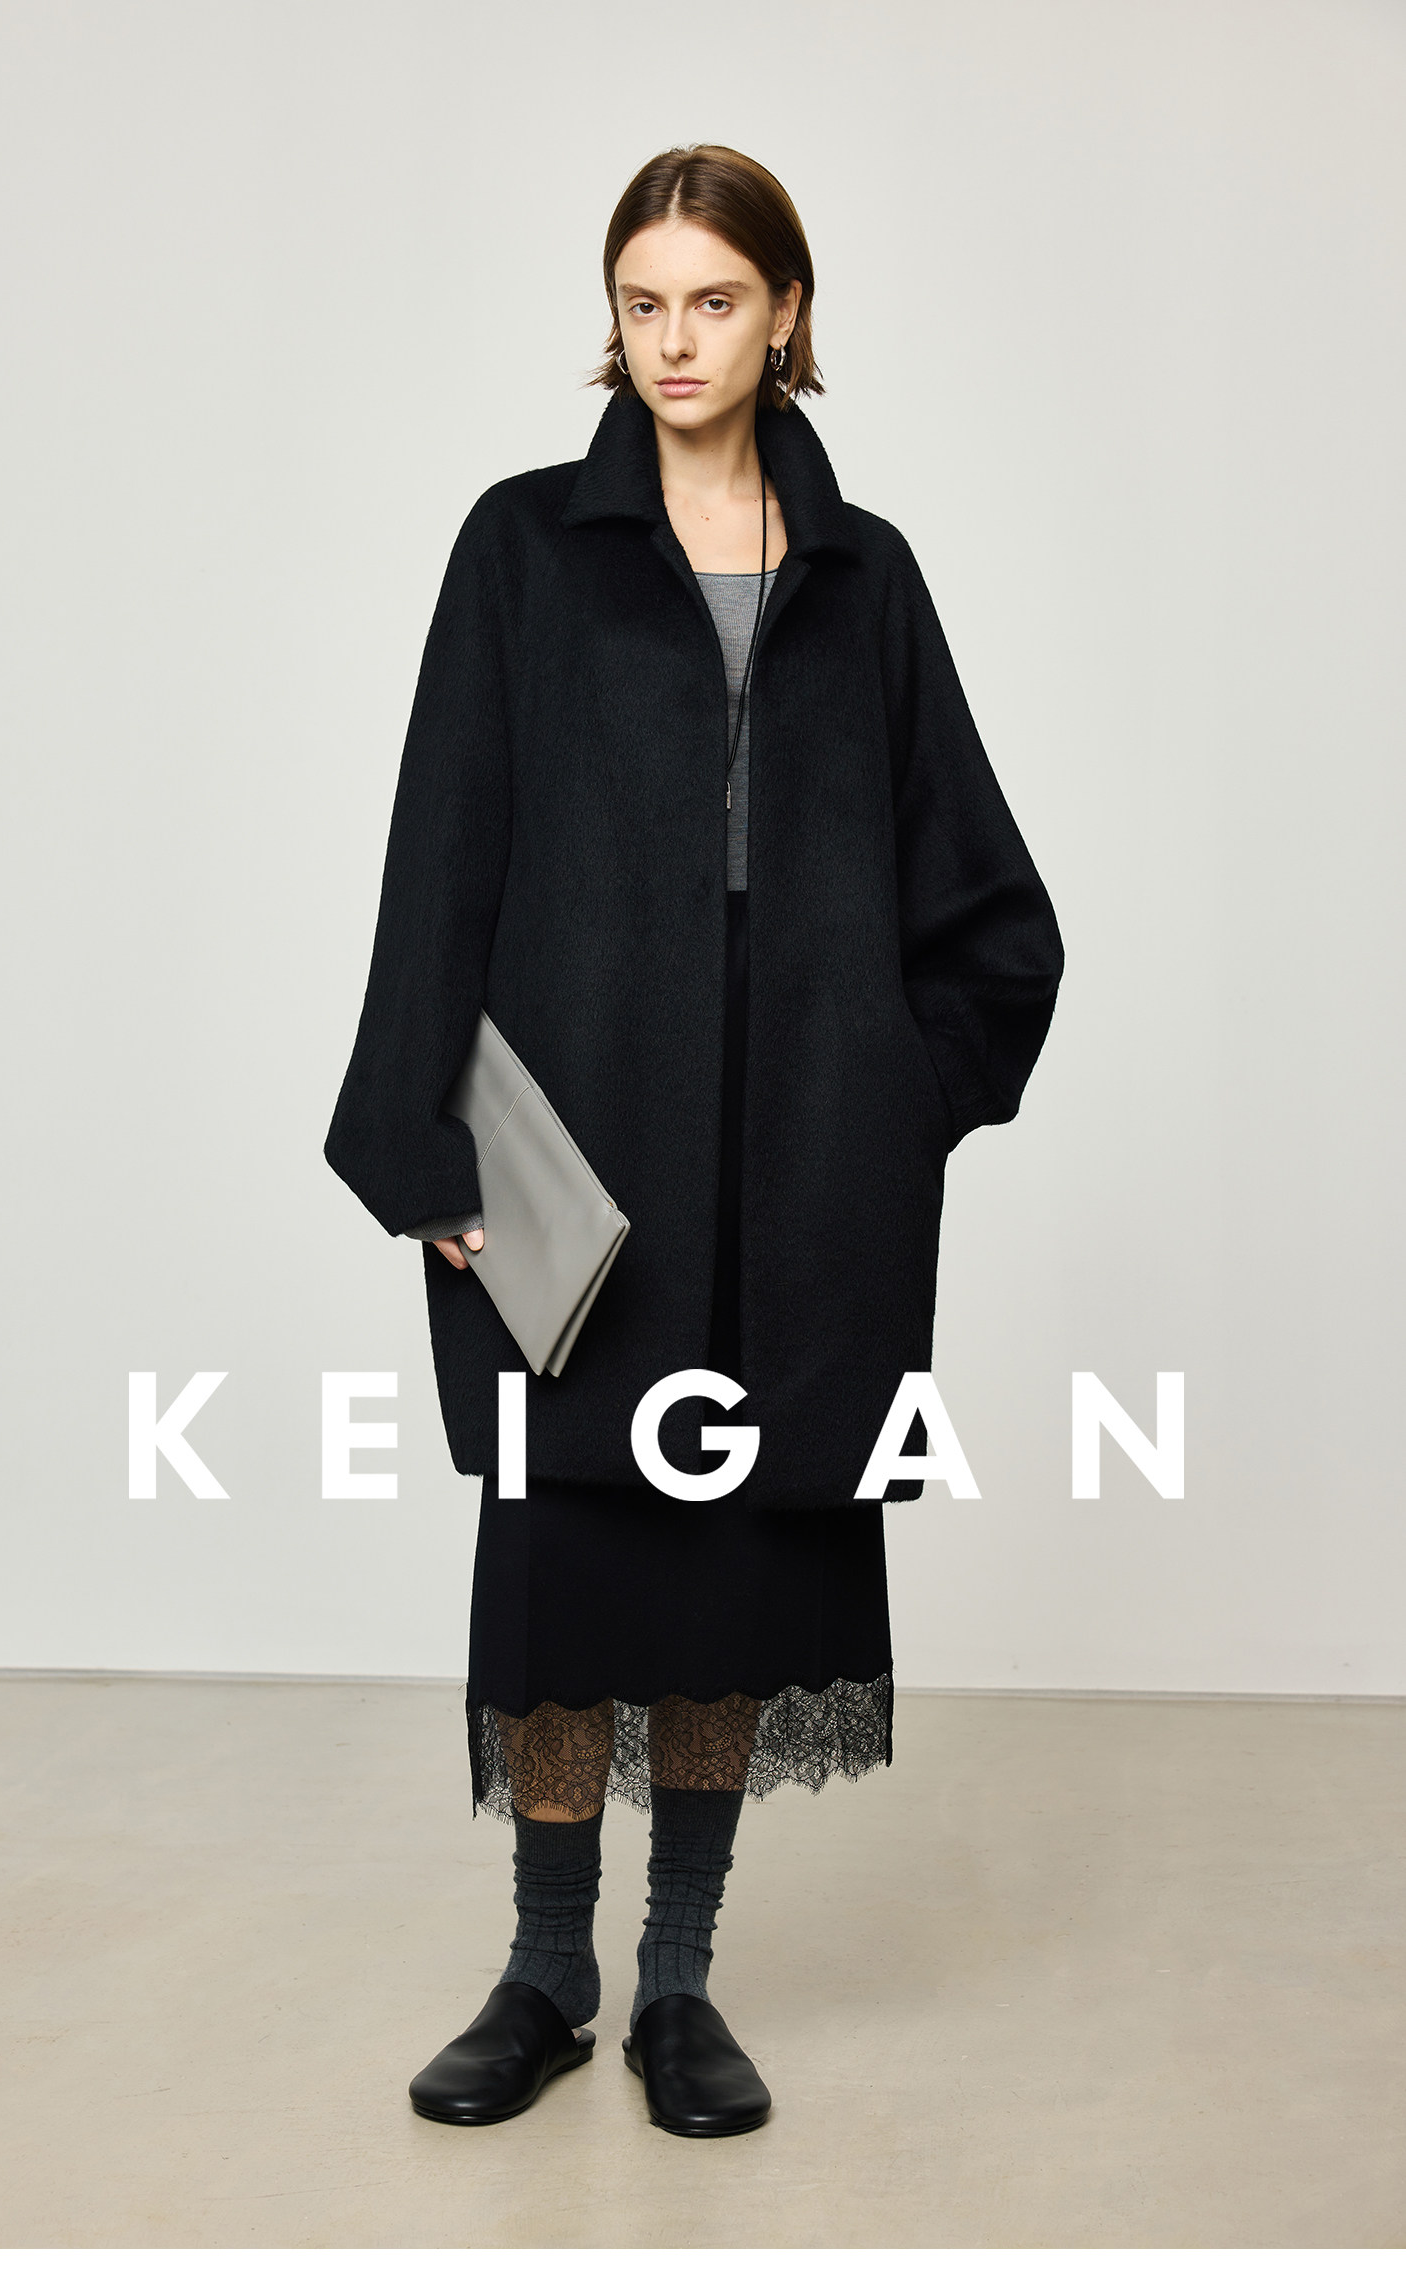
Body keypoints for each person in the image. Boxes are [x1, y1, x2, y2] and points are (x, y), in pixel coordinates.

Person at [325, 143, 1064, 2138]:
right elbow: (439, 863)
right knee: (567, 1575)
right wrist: (429, 1144)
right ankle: (545, 1971)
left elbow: (987, 911)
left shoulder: (866, 577)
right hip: (576, 1151)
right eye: (642, 302)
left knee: (739, 1570)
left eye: (713, 301)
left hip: (800, 1171)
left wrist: (896, 1096)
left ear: (786, 314)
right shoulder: (522, 549)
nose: (674, 340)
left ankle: (676, 1982)